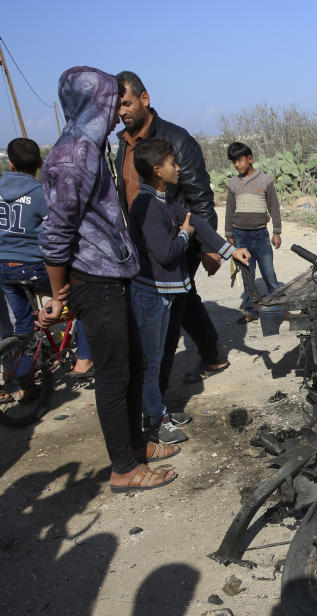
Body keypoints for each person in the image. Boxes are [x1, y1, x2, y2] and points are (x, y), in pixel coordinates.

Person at [39, 66, 178, 493]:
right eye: (109, 100)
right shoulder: (74, 155)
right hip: (92, 283)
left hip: (111, 277)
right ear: (91, 103)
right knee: (115, 377)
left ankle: (137, 446)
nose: (117, 110)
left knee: (133, 365)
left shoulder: (91, 147)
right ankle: (123, 468)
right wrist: (58, 291)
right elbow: (55, 232)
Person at [129, 138, 251, 445]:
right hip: (152, 295)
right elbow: (166, 253)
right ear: (157, 170)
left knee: (163, 355)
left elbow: (196, 221)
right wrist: (185, 236)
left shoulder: (166, 201)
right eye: (172, 163)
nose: (178, 168)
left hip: (172, 293)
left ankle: (158, 410)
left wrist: (229, 250)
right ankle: (154, 421)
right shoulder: (145, 205)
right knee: (152, 360)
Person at [114, 71, 228, 390]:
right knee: (181, 297)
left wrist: (209, 246)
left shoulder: (176, 140)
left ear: (144, 99)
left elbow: (199, 195)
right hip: (142, 241)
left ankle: (157, 385)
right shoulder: (122, 146)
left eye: (126, 103)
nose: (121, 112)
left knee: (174, 299)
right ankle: (209, 354)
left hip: (178, 237)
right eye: (116, 106)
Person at [0, 138, 94, 381]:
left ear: (10, 164)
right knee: (84, 298)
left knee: (23, 324)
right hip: (32, 267)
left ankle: (23, 382)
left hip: (3, 268)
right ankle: (85, 358)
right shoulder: (41, 193)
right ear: (41, 164)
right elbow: (57, 231)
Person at [224, 142, 282, 324]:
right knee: (248, 275)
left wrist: (277, 232)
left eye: (239, 160)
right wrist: (229, 233)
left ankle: (279, 308)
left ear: (250, 159)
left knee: (269, 274)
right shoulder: (233, 183)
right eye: (234, 162)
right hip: (240, 235)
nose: (237, 165)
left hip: (261, 235)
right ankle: (252, 310)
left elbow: (274, 207)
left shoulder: (265, 180)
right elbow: (229, 210)